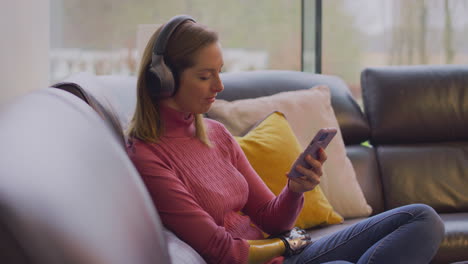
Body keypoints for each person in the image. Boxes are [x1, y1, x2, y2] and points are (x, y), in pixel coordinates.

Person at [126, 15, 445, 264]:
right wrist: (288, 243)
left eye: (220, 72)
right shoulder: (148, 157)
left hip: (288, 255)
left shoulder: (218, 135)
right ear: (163, 80)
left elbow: (270, 216)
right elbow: (226, 253)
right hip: (275, 256)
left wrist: (295, 190)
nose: (219, 85)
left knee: (421, 219)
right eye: (205, 76)